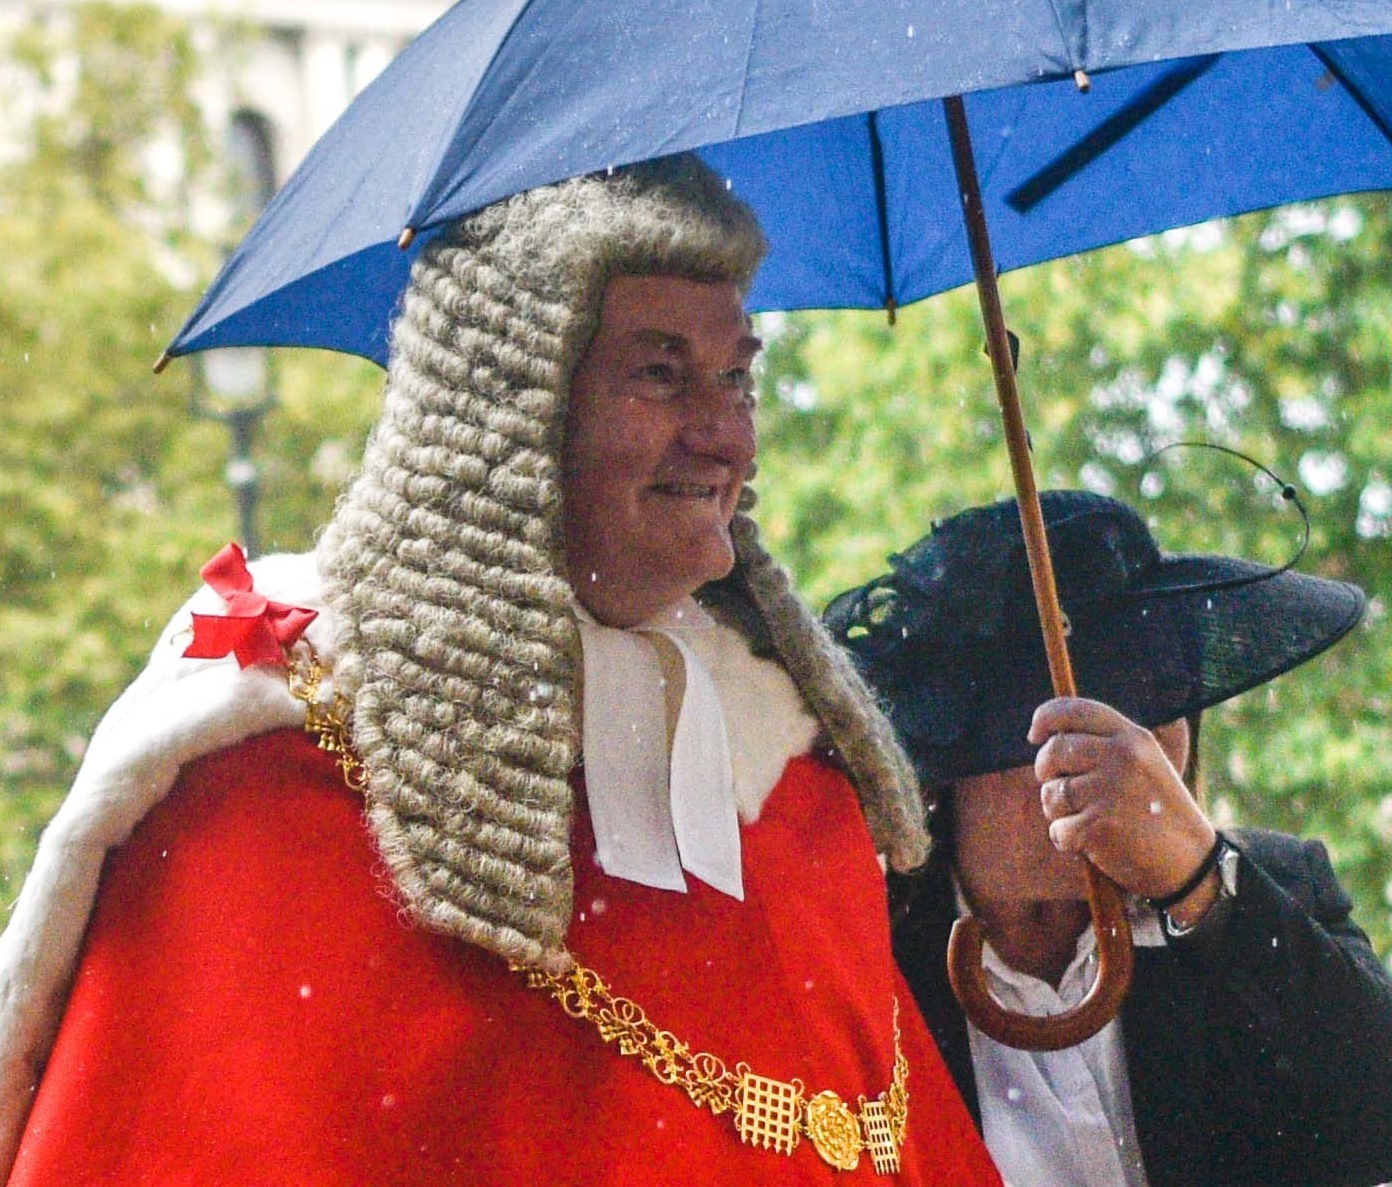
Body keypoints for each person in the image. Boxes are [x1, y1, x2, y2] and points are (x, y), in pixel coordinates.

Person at [0, 157, 1002, 1184]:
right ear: (510, 416)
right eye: (659, 373)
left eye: (735, 375)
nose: (724, 433)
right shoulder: (273, 790)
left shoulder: (798, 796)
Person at [825, 490, 1392, 1187]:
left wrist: (1202, 886)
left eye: (1156, 701)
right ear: (953, 758)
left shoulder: (1269, 894)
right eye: (1080, 719)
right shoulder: (864, 960)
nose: (1137, 755)